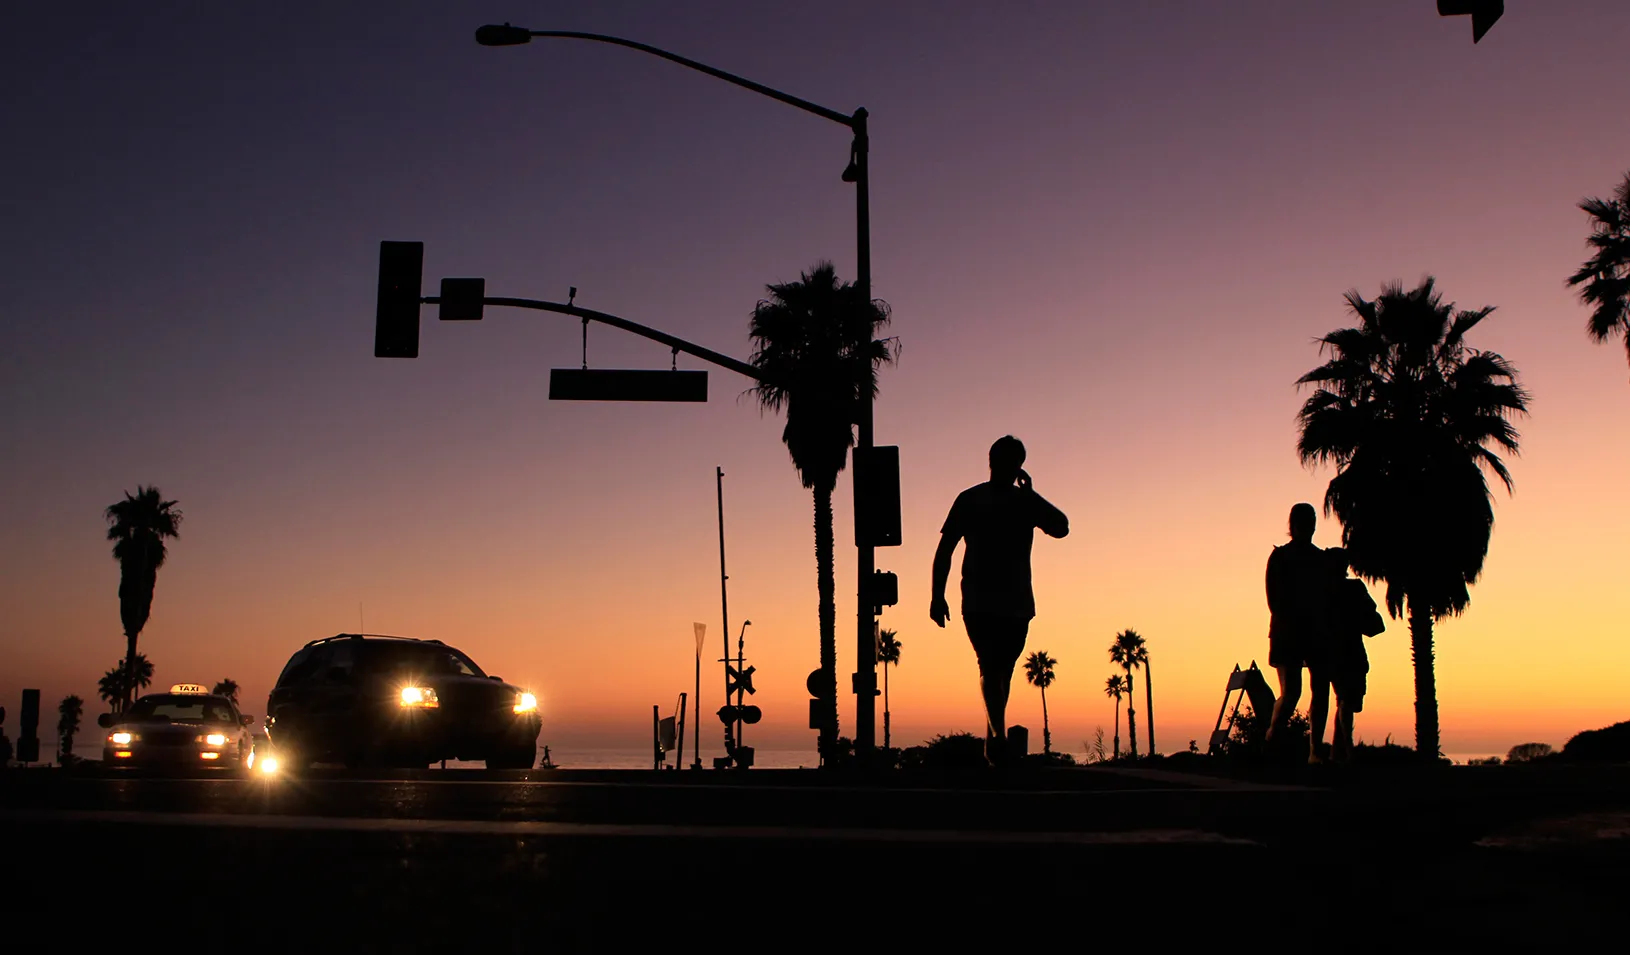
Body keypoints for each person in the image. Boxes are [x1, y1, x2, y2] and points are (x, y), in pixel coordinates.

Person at [931, 436, 1069, 766]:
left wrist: (1033, 495)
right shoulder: (970, 499)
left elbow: (1061, 527)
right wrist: (937, 596)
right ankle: (999, 736)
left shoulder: (1025, 502)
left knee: (1001, 672)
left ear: (1019, 465)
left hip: (1017, 603)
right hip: (979, 601)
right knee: (990, 667)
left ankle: (994, 741)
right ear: (991, 459)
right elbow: (945, 548)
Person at [1264, 503, 1326, 758]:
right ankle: (1272, 737)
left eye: (1311, 520)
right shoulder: (1279, 557)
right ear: (1293, 525)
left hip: (1317, 633)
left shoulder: (1320, 558)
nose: (1308, 526)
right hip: (1288, 634)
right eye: (1303, 521)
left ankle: (1315, 751)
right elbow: (1274, 601)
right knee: (1291, 695)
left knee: (1320, 690)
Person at [1321, 547, 1385, 763]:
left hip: (1349, 654)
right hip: (1340, 654)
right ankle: (1346, 751)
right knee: (1346, 702)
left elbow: (1373, 622)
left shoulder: (1350, 589)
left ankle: (1339, 753)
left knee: (1347, 702)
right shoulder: (1330, 591)